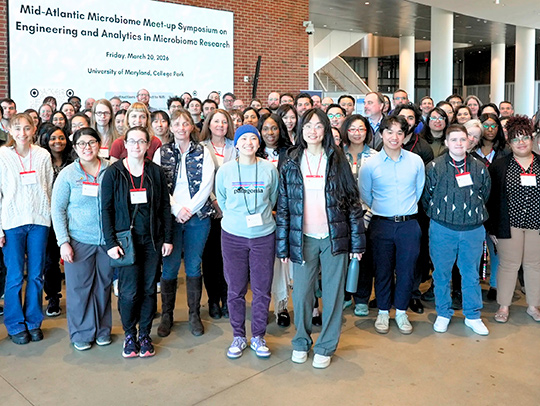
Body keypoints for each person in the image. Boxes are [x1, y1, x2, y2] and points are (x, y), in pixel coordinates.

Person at [277, 108, 365, 369]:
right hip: (303, 238)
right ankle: (301, 341)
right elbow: (283, 206)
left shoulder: (337, 159)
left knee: (334, 294)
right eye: (307, 126)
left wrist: (357, 244)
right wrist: (283, 245)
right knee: (302, 293)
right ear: (300, 131)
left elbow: (352, 203)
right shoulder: (291, 160)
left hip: (333, 239)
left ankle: (326, 345)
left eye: (318, 126)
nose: (312, 131)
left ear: (326, 130)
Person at [102, 126, 173, 358]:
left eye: (141, 142)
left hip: (151, 240)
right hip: (125, 243)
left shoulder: (155, 172)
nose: (136, 146)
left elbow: (164, 206)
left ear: (147, 145)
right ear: (124, 144)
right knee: (129, 292)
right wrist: (111, 243)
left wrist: (167, 238)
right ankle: (129, 334)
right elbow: (106, 210)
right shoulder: (113, 173)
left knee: (149, 290)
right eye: (131, 141)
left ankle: (145, 334)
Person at [217, 124, 279, 359]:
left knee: (262, 289)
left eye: (253, 138)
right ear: (237, 143)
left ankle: (259, 336)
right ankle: (238, 335)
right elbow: (221, 199)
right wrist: (237, 219)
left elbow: (273, 198)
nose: (248, 143)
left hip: (263, 235)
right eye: (244, 139)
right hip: (233, 235)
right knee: (235, 288)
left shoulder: (269, 170)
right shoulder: (225, 170)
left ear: (259, 142)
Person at [422, 124, 491, 335]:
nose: (459, 144)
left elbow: (485, 194)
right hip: (442, 228)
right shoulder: (433, 167)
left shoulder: (480, 168)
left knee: (470, 273)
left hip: (472, 229)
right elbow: (427, 198)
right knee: (441, 274)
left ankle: (472, 315)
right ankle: (443, 312)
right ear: (446, 142)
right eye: (454, 140)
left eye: (463, 139)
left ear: (469, 141)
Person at [360, 115, 425, 335]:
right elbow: (366, 195)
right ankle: (382, 311)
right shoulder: (370, 165)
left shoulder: (415, 161)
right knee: (383, 270)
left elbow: (418, 191)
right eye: (389, 132)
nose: (394, 137)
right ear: (381, 134)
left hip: (408, 224)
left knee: (407, 270)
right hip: (381, 224)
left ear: (406, 136)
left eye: (399, 132)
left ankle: (401, 313)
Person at [153, 110, 215, 338]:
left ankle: (194, 315)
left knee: (193, 265)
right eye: (176, 124)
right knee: (168, 266)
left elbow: (207, 184)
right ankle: (167, 315)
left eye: (185, 123)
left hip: (197, 217)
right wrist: (177, 209)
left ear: (191, 127)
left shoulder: (203, 151)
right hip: (170, 217)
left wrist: (190, 209)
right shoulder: (161, 152)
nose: (181, 127)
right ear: (170, 127)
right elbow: (159, 184)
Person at [51, 127, 113, 350]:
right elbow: (57, 209)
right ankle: (81, 333)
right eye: (82, 144)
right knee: (79, 290)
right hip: (78, 241)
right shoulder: (68, 174)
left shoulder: (111, 169)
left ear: (99, 144)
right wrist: (63, 242)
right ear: (75, 148)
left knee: (103, 286)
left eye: (91, 142)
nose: (87, 148)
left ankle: (103, 330)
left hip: (107, 241)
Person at [0, 113, 53, 344]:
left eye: (27, 128)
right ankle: (14, 324)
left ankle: (33, 321)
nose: (22, 133)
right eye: (17, 128)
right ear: (10, 131)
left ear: (34, 129)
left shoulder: (42, 155)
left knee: (36, 275)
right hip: (11, 223)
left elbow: (49, 188)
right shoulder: (2, 155)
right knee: (13, 276)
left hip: (39, 221)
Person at [486, 115, 540, 323]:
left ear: (532, 138)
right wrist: (492, 229)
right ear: (509, 142)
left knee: (534, 265)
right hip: (509, 225)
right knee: (508, 264)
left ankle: (533, 306)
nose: (521, 142)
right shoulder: (500, 167)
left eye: (525, 137)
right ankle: (504, 305)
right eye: (516, 139)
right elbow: (491, 200)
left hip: (536, 225)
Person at [199, 109, 236, 319]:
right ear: (209, 124)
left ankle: (227, 298)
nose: (220, 125)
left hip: (231, 211)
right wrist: (215, 200)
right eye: (216, 121)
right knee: (211, 259)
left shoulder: (235, 147)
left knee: (229, 259)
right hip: (210, 211)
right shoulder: (202, 148)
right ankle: (213, 299)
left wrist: (226, 203)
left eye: (224, 121)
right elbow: (203, 179)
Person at [257, 113, 292, 326]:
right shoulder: (253, 152)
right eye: (265, 129)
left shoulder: (291, 153)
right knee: (262, 265)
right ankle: (262, 307)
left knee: (281, 265)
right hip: (260, 217)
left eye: (274, 128)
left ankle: (282, 306)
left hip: (284, 216)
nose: (270, 133)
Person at [340, 114, 377, 316]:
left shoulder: (375, 155)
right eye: (352, 129)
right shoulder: (337, 154)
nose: (357, 133)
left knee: (365, 257)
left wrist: (368, 215)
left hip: (368, 215)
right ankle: (345, 296)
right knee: (343, 257)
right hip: (342, 216)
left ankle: (362, 298)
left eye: (361, 129)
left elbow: (380, 188)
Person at [38, 123, 74, 316]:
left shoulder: (73, 161)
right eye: (53, 138)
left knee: (74, 258)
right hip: (49, 219)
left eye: (61, 138)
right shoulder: (42, 161)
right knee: (51, 261)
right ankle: (53, 297)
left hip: (73, 217)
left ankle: (78, 298)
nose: (57, 141)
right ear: (46, 141)